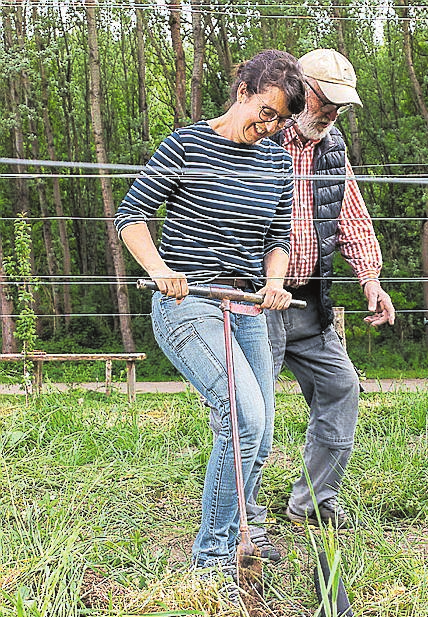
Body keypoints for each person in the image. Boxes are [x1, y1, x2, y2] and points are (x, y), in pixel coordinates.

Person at [115, 50, 306, 584]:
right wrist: (160, 270)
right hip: (187, 303)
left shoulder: (276, 161)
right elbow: (130, 217)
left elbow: (277, 240)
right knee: (243, 416)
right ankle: (213, 559)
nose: (268, 128)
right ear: (242, 90)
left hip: (244, 305)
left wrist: (273, 282)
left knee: (261, 434)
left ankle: (243, 538)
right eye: (264, 113)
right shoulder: (186, 145)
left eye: (280, 121)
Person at [240, 48, 395, 547]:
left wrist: (370, 279)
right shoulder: (259, 132)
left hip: (309, 299)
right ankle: (247, 519)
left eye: (339, 105)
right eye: (325, 100)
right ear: (297, 89)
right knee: (254, 411)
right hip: (257, 299)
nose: (331, 112)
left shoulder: (332, 147)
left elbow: (351, 214)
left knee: (341, 387)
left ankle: (311, 501)